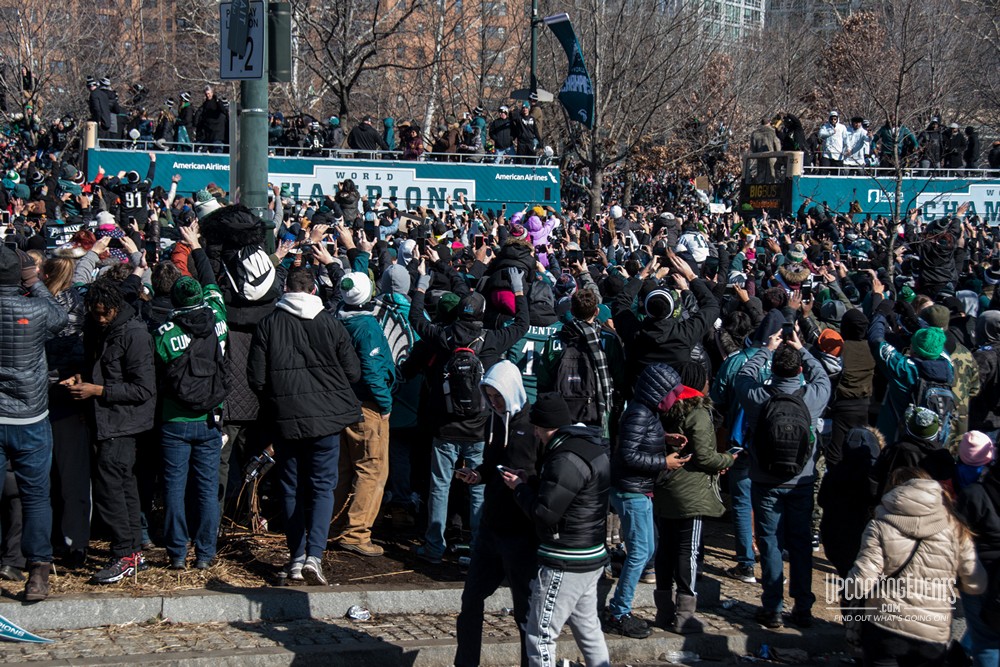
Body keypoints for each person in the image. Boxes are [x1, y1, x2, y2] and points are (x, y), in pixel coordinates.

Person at [407, 261, 529, 564]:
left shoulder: (443, 336)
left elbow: (415, 319)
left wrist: (421, 287)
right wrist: (518, 290)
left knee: (440, 487)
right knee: (477, 486)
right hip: (479, 426)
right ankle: (478, 547)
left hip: (444, 425)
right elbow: (522, 325)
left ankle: (434, 547)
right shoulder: (491, 339)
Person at [248, 267, 362, 584]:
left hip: (285, 418)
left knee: (290, 488)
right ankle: (314, 556)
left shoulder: (269, 324)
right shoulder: (331, 323)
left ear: (285, 289)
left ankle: (297, 558)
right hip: (326, 419)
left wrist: (277, 399)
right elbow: (353, 373)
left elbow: (256, 379)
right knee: (323, 488)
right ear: (313, 291)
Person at [504, 393, 611, 667]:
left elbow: (544, 512)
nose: (536, 435)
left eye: (537, 429)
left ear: (543, 427)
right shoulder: (590, 447)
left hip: (566, 560)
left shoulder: (563, 458)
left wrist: (519, 489)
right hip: (591, 555)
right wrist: (533, 481)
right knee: (588, 630)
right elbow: (572, 495)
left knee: (540, 634)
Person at [736, 330, 831, 628]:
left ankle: (773, 606)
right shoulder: (813, 396)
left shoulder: (758, 397)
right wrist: (803, 350)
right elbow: (823, 377)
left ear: (772, 369)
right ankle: (803, 607)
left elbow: (744, 375)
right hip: (801, 480)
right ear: (800, 370)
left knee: (770, 542)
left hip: (765, 479)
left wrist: (766, 349)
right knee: (801, 544)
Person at [67, 278, 156, 585]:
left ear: (116, 307)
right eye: (95, 313)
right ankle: (132, 552)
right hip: (105, 421)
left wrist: (97, 390)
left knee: (111, 492)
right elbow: (96, 366)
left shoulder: (134, 334)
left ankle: (124, 553)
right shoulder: (100, 329)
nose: (100, 318)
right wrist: (82, 378)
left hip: (123, 422)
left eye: (105, 313)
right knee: (123, 488)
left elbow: (143, 388)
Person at [848, 468, 985, 666]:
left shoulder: (879, 525)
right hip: (932, 632)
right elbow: (976, 581)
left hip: (885, 625)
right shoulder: (955, 527)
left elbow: (860, 582)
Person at [453, 361, 538, 667]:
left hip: (519, 531)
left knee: (525, 611)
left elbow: (535, 473)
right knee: (471, 599)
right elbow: (494, 463)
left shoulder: (531, 426)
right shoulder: (494, 420)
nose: (493, 402)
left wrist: (523, 483)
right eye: (489, 396)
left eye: (498, 396)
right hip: (491, 527)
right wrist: (478, 474)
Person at [153, 223, 228, 570]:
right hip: (212, 416)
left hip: (174, 419)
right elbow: (212, 280)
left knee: (174, 489)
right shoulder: (218, 316)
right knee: (207, 488)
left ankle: (177, 554)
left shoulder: (164, 332)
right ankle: (207, 554)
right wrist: (197, 245)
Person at [0, 247, 67, 600]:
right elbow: (61, 316)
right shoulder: (37, 308)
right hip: (30, 415)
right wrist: (36, 281)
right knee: (37, 496)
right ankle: (38, 574)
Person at [605, 363, 689, 638]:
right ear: (659, 392)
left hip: (638, 490)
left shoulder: (645, 411)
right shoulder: (640, 414)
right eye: (672, 394)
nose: (675, 399)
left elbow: (635, 441)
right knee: (641, 552)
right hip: (632, 492)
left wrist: (664, 437)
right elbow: (627, 456)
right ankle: (619, 611)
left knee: (646, 549)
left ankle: (619, 605)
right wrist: (663, 462)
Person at [656, 361, 736, 634]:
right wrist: (726, 458)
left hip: (665, 486)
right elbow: (704, 456)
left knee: (665, 549)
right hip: (690, 491)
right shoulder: (697, 410)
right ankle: (685, 614)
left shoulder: (662, 406)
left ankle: (664, 610)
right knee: (687, 551)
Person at [331, 271, 395, 557]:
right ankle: (357, 533)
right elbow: (371, 370)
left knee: (343, 468)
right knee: (372, 469)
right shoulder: (367, 326)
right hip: (368, 406)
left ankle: (332, 526)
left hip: (342, 404)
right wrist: (385, 404)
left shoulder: (336, 318)